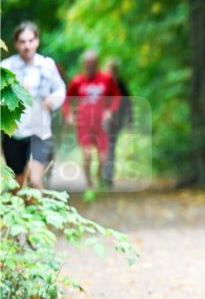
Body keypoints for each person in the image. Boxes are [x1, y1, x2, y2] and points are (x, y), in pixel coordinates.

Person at [1, 21, 66, 188]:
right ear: (16, 44)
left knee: (35, 179)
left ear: (37, 41)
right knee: (18, 184)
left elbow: (60, 90)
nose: (27, 46)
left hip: (40, 130)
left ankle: (41, 212)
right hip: (14, 132)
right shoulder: (6, 68)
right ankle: (23, 213)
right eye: (22, 42)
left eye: (30, 41)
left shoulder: (47, 65)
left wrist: (53, 100)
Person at [65, 49, 121, 189]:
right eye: (87, 63)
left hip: (101, 125)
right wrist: (69, 115)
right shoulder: (77, 81)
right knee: (87, 155)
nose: (90, 66)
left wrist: (110, 111)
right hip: (84, 125)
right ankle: (89, 183)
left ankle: (99, 177)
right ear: (84, 64)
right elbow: (66, 100)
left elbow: (117, 97)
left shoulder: (106, 79)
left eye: (93, 63)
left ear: (97, 63)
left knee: (103, 158)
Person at [104, 58, 133, 188]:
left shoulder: (120, 85)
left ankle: (108, 176)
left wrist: (130, 121)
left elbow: (128, 104)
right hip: (100, 121)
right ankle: (103, 175)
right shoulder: (102, 83)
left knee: (110, 147)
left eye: (114, 70)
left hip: (116, 122)